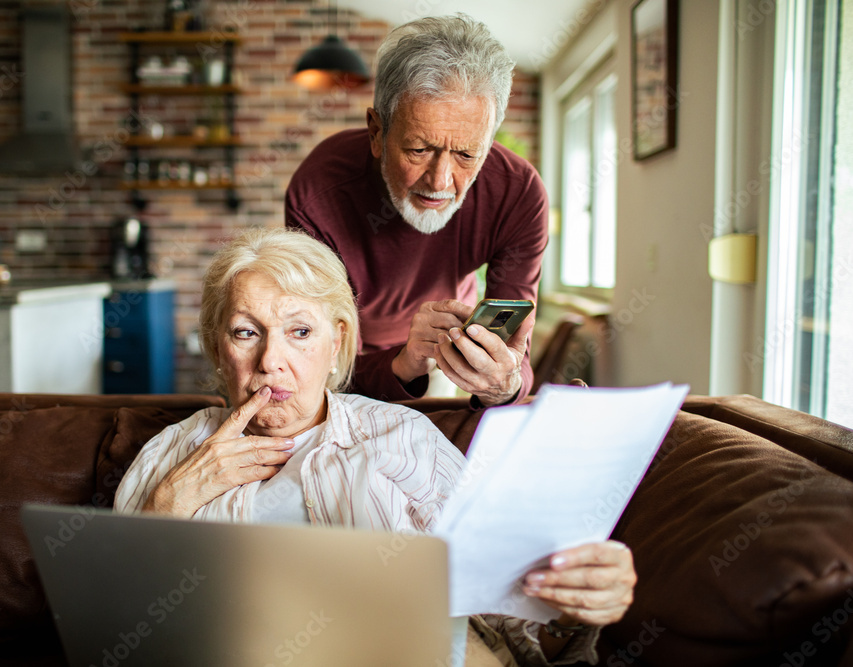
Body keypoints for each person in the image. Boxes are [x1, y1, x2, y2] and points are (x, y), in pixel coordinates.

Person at [114, 228, 635, 666]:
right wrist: (173, 500)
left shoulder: (401, 436)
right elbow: (117, 628)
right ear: (216, 346)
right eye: (247, 332)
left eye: (299, 331)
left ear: (337, 341)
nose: (272, 360)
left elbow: (507, 616)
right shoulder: (172, 455)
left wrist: (572, 608)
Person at [286, 14, 548, 408]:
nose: (440, 181)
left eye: (466, 154)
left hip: (446, 350)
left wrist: (504, 383)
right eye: (419, 150)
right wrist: (403, 361)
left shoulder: (517, 193)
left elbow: (516, 362)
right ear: (377, 133)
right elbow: (321, 361)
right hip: (351, 353)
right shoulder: (318, 191)